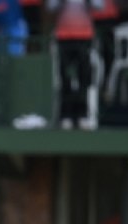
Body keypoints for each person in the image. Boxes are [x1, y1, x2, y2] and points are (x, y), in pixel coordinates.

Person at [47, 0, 102, 130]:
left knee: (84, 77)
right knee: (64, 77)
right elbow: (50, 7)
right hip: (63, 37)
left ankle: (83, 114)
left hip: (85, 36)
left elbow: (99, 6)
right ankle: (65, 115)